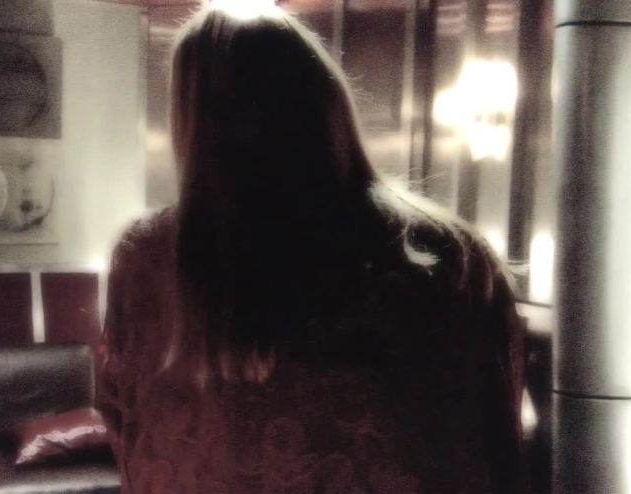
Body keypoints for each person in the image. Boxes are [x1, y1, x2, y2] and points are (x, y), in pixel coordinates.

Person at [98, 3, 525, 493]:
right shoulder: (451, 253)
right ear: (326, 98)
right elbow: (498, 435)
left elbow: (128, 424)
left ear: (193, 121)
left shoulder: (151, 260)